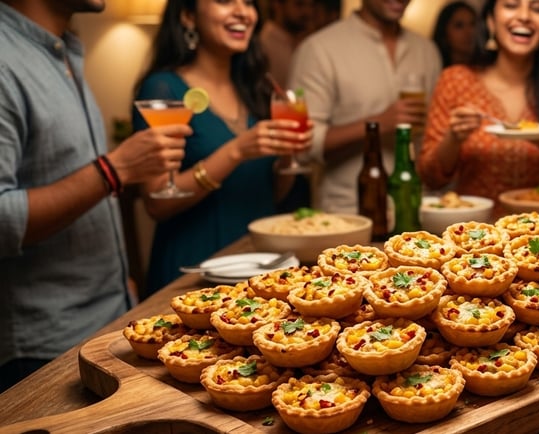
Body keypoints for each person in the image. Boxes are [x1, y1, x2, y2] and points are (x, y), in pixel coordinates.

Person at [0, 0, 189, 391]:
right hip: (43, 344)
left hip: (108, 320)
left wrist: (121, 280)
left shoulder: (61, 49)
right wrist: (114, 170)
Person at [135, 0, 311, 294]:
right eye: (226, 1)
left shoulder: (255, 88)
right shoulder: (163, 88)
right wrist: (236, 151)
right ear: (188, 16)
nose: (243, 12)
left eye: (249, 3)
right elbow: (157, 202)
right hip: (195, 271)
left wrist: (287, 157)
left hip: (260, 267)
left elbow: (273, 194)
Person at [418, 0, 539, 211]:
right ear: (491, 21)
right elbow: (430, 177)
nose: (524, 16)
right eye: (511, 5)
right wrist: (453, 138)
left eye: (537, 9)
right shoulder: (455, 81)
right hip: (472, 233)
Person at [290, 0, 442, 213]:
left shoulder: (426, 50)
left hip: (417, 210)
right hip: (348, 214)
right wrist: (378, 123)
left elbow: (433, 137)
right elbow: (302, 146)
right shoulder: (319, 49)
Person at [261, 0, 314, 86]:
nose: (307, 12)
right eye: (299, 4)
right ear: (277, 5)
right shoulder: (264, 45)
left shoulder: (303, 41)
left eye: (311, 5)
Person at [432, 1, 477, 68]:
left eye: (473, 24)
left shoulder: (488, 70)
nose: (469, 32)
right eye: (459, 25)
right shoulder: (433, 67)